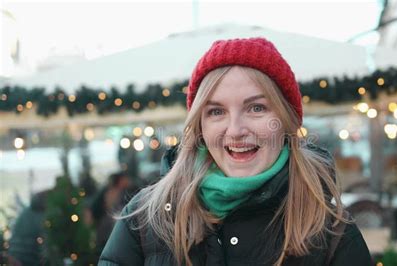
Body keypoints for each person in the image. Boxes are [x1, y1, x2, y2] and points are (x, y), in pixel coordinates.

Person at [99, 37, 372, 265]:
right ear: (200, 126)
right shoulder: (145, 219)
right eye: (216, 111)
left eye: (256, 108)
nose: (236, 130)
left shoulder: (332, 231)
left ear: (287, 121)